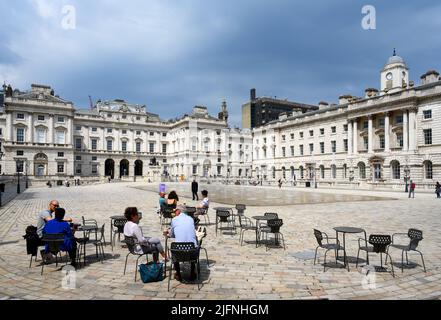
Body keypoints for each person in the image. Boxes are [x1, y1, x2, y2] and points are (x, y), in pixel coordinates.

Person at [164, 205, 198, 282]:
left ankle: (178, 274)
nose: (174, 212)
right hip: (192, 252)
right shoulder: (190, 219)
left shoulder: (174, 219)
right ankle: (192, 272)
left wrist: (168, 232)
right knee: (196, 244)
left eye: (175, 211)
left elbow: (172, 235)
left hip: (178, 252)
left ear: (179, 211)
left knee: (174, 249)